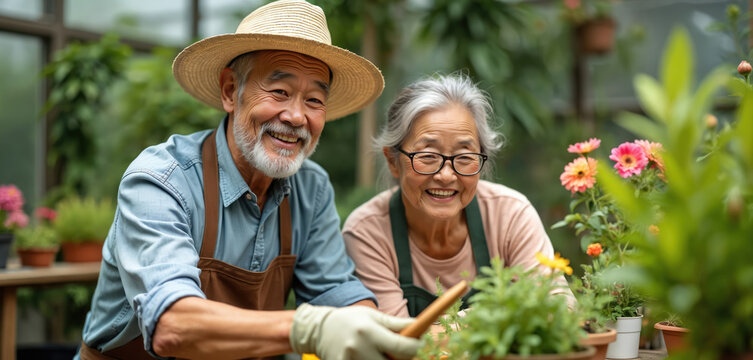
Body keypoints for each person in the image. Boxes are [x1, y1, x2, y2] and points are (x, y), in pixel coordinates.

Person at [76, 1, 421, 359]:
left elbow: (336, 294)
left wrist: (385, 330)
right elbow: (173, 324)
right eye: (279, 92)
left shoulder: (311, 189)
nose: (296, 116)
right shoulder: (162, 180)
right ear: (230, 91)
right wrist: (308, 329)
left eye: (315, 100)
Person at [343, 73, 573, 319]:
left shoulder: (510, 214)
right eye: (428, 156)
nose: (446, 175)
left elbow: (560, 309)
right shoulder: (367, 232)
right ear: (392, 160)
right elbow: (396, 343)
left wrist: (454, 327)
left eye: (464, 157)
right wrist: (502, 316)